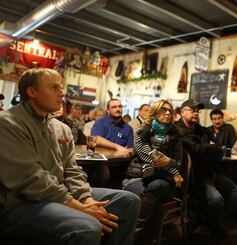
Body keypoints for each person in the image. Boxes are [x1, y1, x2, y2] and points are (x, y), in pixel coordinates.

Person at [0, 68, 140, 245]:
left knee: (128, 201)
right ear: (32, 91)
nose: (62, 92)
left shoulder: (61, 128)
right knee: (87, 226)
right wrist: (78, 207)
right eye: (54, 88)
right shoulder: (8, 123)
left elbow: (72, 170)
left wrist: (87, 199)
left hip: (58, 194)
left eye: (61, 87)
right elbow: (30, 179)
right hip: (19, 203)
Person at [177, 99, 237, 239]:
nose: (196, 113)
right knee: (216, 199)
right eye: (192, 110)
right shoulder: (177, 130)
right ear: (182, 112)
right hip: (192, 177)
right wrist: (210, 147)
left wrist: (210, 148)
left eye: (198, 110)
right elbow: (195, 151)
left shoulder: (202, 130)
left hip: (210, 172)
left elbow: (220, 150)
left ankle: (207, 218)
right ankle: (214, 224)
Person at [123, 100, 184, 244]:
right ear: (155, 112)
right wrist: (173, 170)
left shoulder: (176, 135)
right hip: (139, 176)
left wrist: (171, 165)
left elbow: (179, 162)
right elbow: (147, 155)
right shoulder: (142, 131)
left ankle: (132, 237)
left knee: (156, 187)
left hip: (163, 180)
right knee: (155, 206)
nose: (168, 113)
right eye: (163, 110)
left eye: (170, 111)